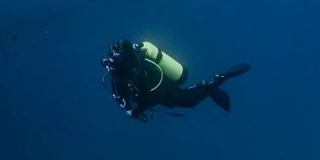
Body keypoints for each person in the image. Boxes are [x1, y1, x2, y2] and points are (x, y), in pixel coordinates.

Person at [101, 39, 250, 122]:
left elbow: (149, 99)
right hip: (156, 84)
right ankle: (210, 84)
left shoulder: (134, 73)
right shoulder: (124, 71)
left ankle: (213, 83)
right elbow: (119, 89)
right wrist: (129, 107)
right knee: (185, 98)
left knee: (189, 101)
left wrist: (136, 112)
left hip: (161, 89)